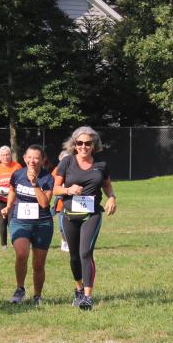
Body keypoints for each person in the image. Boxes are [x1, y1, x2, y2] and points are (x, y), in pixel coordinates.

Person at [52, 126, 117, 311]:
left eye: (88, 143)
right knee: (74, 257)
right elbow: (55, 189)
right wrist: (68, 190)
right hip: (69, 215)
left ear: (94, 145)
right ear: (74, 144)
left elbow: (107, 185)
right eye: (79, 143)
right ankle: (79, 290)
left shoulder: (101, 164)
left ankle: (88, 297)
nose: (83, 146)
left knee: (85, 253)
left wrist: (112, 197)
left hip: (92, 214)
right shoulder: (67, 162)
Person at [1, 145, 54, 306]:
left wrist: (35, 184)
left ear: (42, 160)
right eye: (29, 157)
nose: (32, 160)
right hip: (20, 220)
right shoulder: (17, 174)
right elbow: (12, 190)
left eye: (36, 157)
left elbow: (45, 203)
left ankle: (37, 296)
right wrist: (8, 206)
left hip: (42, 223)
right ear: (24, 158)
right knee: (21, 253)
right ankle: (20, 289)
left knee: (38, 264)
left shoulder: (47, 178)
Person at [0, 145, 22, 250]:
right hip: (0, 200)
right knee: (2, 221)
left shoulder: (17, 166)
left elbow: (22, 180)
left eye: (7, 154)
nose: (5, 157)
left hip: (13, 199)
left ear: (10, 155)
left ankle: (14, 242)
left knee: (12, 221)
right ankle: (4, 245)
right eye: (3, 155)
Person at [52, 150, 70, 252]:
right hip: (60, 202)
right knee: (61, 226)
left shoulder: (74, 169)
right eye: (64, 159)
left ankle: (72, 242)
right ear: (60, 159)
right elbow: (51, 185)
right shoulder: (56, 170)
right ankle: (64, 241)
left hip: (73, 201)